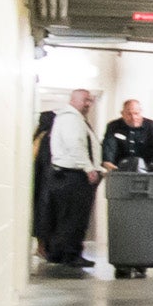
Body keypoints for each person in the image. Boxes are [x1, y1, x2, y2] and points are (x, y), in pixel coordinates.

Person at [33, 89, 98, 267]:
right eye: (85, 100)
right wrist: (89, 168)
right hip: (73, 175)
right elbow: (75, 144)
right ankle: (70, 254)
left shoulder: (67, 118)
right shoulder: (72, 119)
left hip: (63, 175)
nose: (88, 104)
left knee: (64, 218)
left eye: (90, 101)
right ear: (74, 99)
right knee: (74, 219)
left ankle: (58, 253)